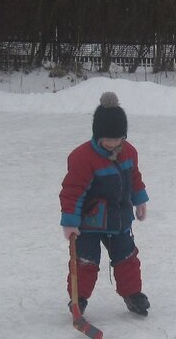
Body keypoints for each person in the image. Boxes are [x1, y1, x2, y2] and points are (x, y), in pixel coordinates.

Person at [60, 92, 150, 316]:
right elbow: (72, 192)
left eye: (118, 138)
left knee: (127, 257)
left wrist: (140, 201)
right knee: (85, 261)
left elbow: (134, 178)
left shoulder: (128, 152)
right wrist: (70, 222)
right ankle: (78, 299)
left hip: (119, 219)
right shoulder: (83, 158)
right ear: (97, 134)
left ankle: (132, 294)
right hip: (89, 223)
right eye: (108, 139)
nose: (113, 144)